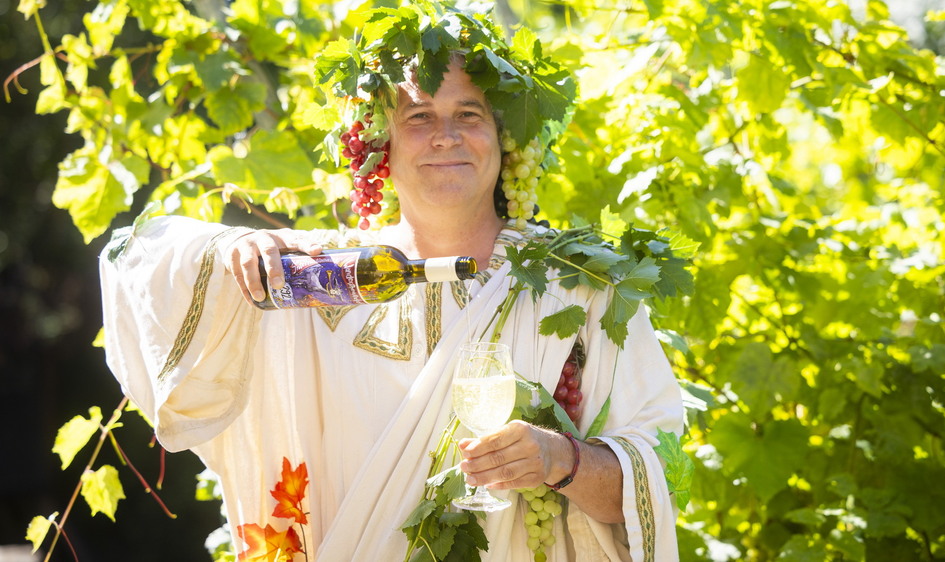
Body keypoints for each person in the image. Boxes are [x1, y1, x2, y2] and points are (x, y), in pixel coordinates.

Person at [99, 6, 684, 561]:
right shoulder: (320, 279)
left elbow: (665, 471)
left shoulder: (578, 285)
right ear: (381, 145)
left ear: (504, 141)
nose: (446, 135)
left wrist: (564, 459)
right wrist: (226, 249)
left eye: (470, 115)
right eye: (419, 116)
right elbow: (130, 261)